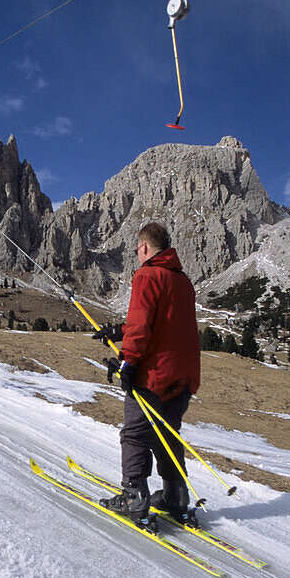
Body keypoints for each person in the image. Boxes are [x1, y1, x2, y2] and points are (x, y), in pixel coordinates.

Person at [92, 222, 201, 525]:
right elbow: (163, 325)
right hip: (184, 376)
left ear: (144, 248)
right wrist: (119, 331)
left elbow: (141, 328)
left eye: (137, 250)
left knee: (136, 435)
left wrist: (128, 363)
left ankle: (134, 499)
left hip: (155, 376)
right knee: (166, 433)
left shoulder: (146, 275)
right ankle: (175, 497)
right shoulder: (182, 281)